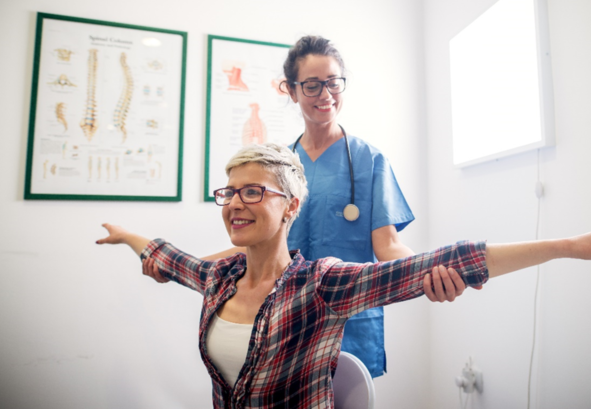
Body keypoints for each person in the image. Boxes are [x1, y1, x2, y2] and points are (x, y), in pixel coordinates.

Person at [98, 142, 591, 409]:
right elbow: (170, 259)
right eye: (228, 192)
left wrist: (566, 246)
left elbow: (448, 260)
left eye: (253, 191)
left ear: (291, 206)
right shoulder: (219, 279)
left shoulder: (322, 283)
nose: (235, 205)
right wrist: (130, 239)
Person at [144, 35, 462, 379]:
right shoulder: (277, 167)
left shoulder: (370, 160)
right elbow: (253, 244)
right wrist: (174, 265)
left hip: (347, 318)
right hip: (281, 316)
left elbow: (388, 245)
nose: (325, 95)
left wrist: (431, 272)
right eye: (311, 85)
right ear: (291, 91)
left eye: (333, 83)